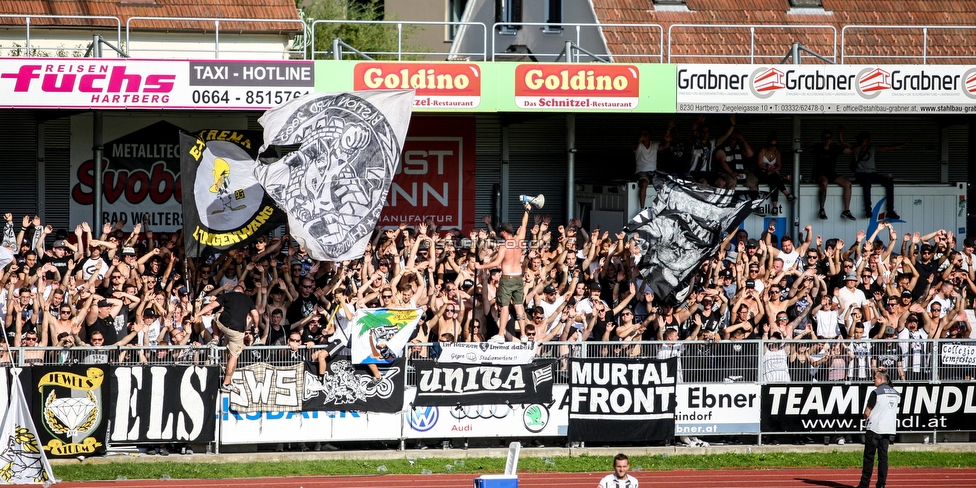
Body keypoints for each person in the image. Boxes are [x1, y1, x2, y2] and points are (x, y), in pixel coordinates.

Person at [476, 201, 532, 341]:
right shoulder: (519, 241)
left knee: (504, 306)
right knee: (519, 306)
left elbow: (496, 262)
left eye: (500, 231)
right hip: (518, 278)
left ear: (503, 232)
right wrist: (527, 211)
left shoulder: (504, 247)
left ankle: (501, 335)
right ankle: (524, 335)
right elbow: (524, 224)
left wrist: (481, 266)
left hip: (507, 279)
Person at [195, 283, 260, 393]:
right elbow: (256, 315)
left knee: (216, 316)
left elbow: (211, 306)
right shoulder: (248, 300)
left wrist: (198, 314)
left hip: (224, 325)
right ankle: (226, 383)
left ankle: (215, 337)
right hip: (238, 332)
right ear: (243, 292)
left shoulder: (227, 295)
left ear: (233, 291)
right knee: (233, 357)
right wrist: (257, 327)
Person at [842, 130, 907, 220]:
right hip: (860, 174)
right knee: (867, 184)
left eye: (865, 139)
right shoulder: (855, 148)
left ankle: (890, 211)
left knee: (889, 183)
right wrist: (840, 133)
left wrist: (902, 145)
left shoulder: (872, 148)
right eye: (862, 139)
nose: (863, 141)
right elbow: (843, 142)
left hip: (872, 173)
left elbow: (888, 147)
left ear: (868, 140)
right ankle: (868, 210)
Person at [857, 368, 900, 488]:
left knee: (869, 458)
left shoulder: (876, 392)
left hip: (874, 428)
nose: (873, 379)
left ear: (881, 379)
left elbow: (867, 412)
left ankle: (864, 484)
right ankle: (881, 484)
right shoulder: (895, 393)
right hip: (888, 429)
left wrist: (865, 417)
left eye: (875, 377)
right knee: (883, 458)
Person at [807, 129, 855, 221]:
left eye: (828, 138)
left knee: (848, 183)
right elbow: (808, 149)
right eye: (825, 138)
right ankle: (822, 209)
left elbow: (851, 150)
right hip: (819, 174)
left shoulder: (834, 148)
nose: (827, 140)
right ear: (822, 139)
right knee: (824, 182)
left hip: (831, 174)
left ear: (831, 139)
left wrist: (841, 136)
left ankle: (846, 210)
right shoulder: (817, 148)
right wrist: (807, 144)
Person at [634, 120, 673, 208]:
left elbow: (664, 146)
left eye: (646, 134)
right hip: (641, 172)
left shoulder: (654, 145)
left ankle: (663, 209)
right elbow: (635, 145)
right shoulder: (639, 145)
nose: (644, 136)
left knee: (665, 185)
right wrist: (639, 139)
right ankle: (642, 209)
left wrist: (668, 141)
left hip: (654, 173)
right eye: (642, 134)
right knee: (643, 184)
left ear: (650, 135)